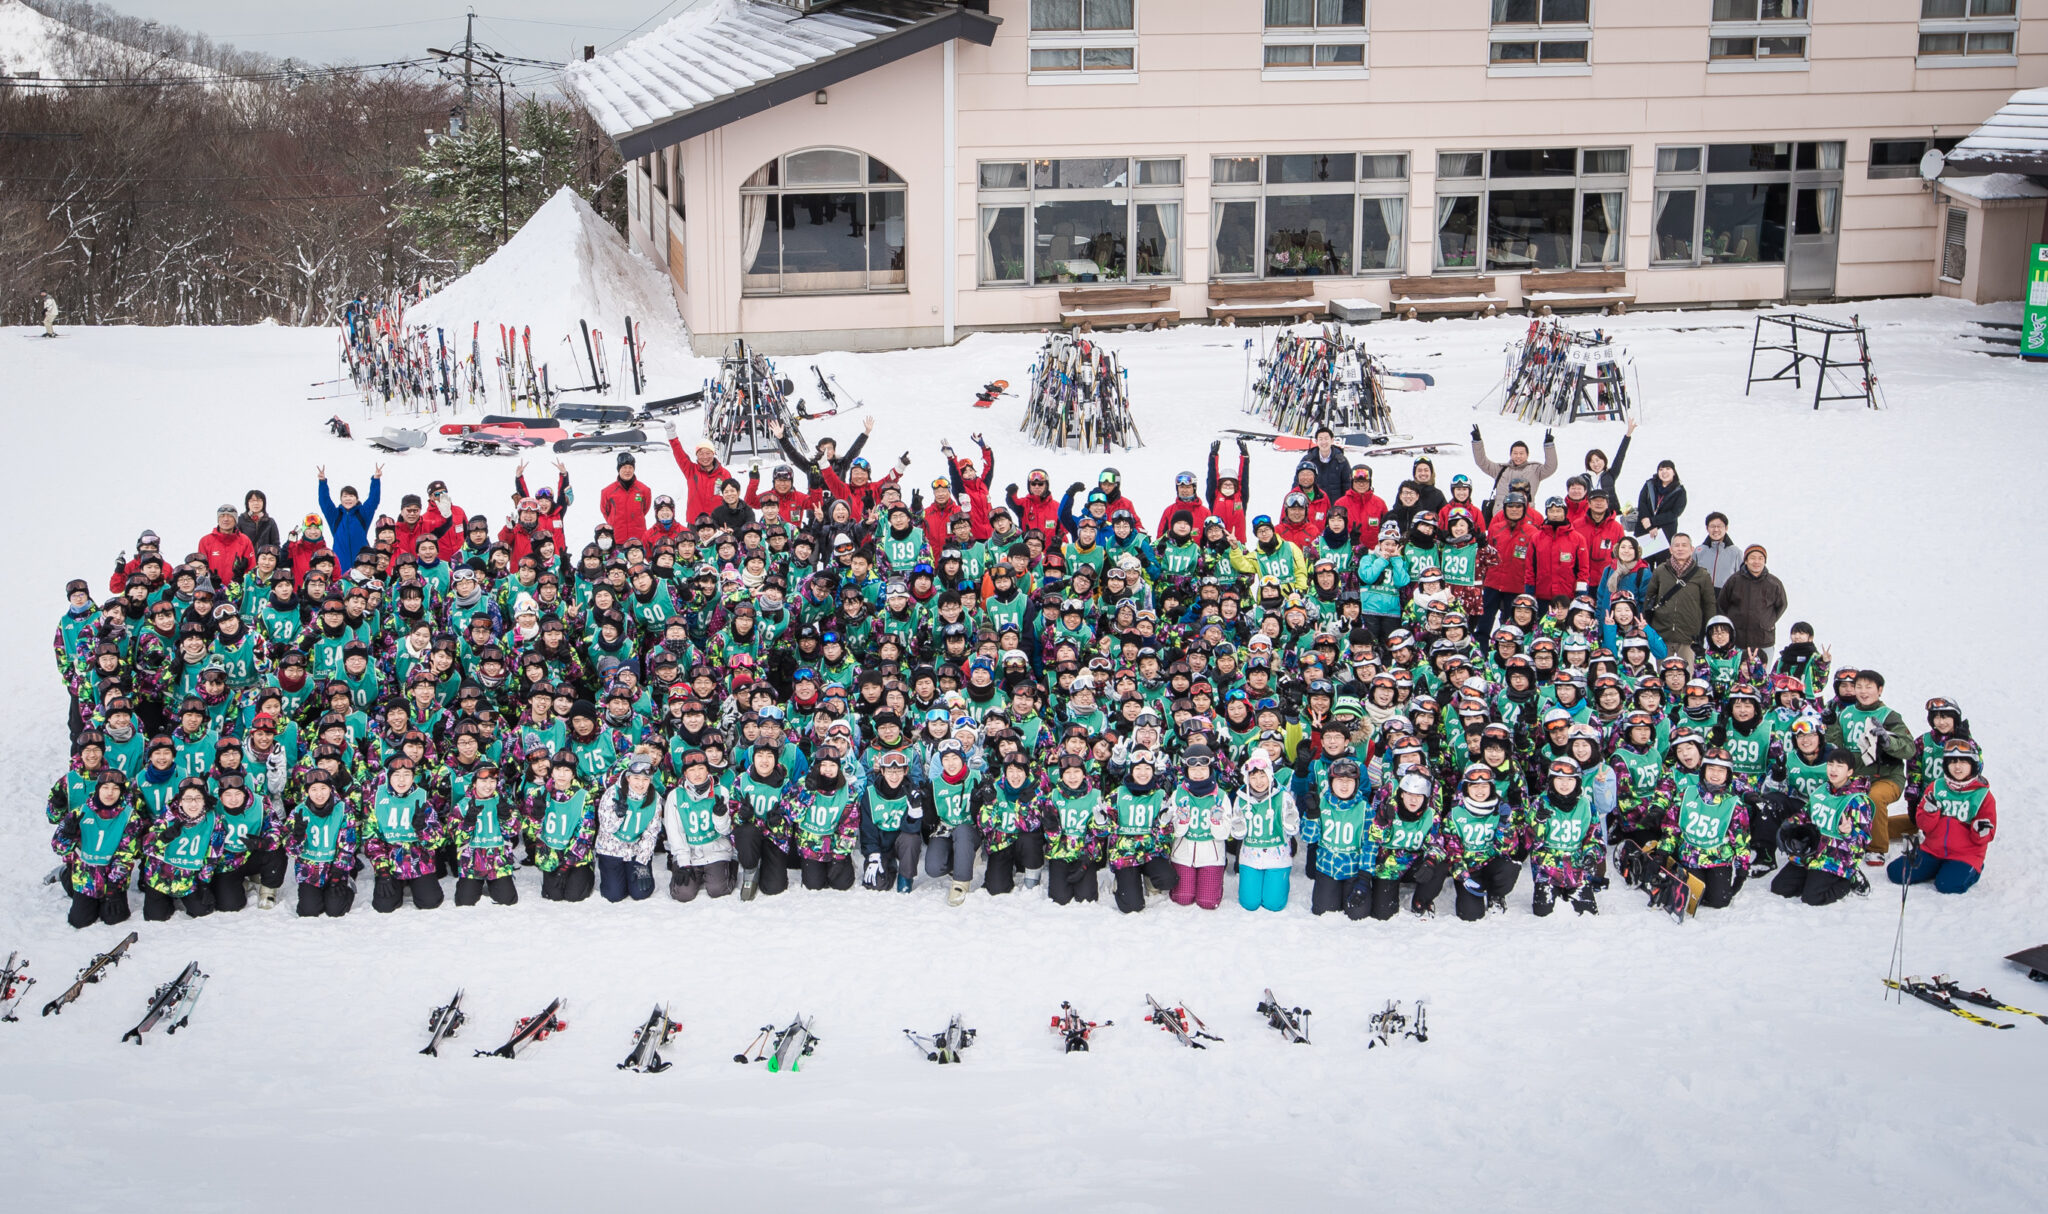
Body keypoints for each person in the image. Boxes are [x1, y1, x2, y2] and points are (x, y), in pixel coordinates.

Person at [1823, 669, 1914, 864]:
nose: (1863, 692)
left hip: (1886, 777)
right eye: (1859, 687)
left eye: (1869, 687)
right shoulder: (1846, 714)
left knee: (1874, 797)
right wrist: (1830, 725)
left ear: (1879, 690)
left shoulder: (1888, 715)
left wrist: (1887, 741)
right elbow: (1836, 746)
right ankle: (1911, 824)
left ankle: (1877, 848)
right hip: (1855, 778)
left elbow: (1909, 749)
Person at [1889, 738, 1995, 894]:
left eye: (1963, 762)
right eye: (1952, 762)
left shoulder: (1983, 795)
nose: (1957, 767)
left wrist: (1980, 830)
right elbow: (1924, 825)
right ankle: (1938, 867)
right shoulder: (1936, 787)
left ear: (1973, 765)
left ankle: (1971, 869)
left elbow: (1986, 835)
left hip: (1965, 854)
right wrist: (1930, 812)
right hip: (1933, 850)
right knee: (1896, 873)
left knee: (1946, 885)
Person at [1770, 748, 1870, 906]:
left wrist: (1849, 832)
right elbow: (1807, 813)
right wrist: (1789, 824)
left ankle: (1848, 879)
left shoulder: (1857, 801)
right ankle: (1815, 877)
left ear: (1850, 771)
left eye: (1840, 766)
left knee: (1812, 898)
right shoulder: (1822, 790)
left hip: (1836, 855)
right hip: (1813, 850)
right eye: (1830, 764)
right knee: (1780, 887)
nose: (1833, 769)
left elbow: (1863, 840)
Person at [595, 755, 664, 903]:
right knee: (614, 895)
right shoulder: (613, 793)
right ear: (628, 778)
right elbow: (607, 827)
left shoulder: (654, 799)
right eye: (636, 778)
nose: (640, 784)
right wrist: (618, 815)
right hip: (612, 849)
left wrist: (642, 861)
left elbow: (651, 832)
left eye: (645, 780)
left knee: (641, 892)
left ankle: (633, 870)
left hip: (635, 849)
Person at [1645, 533, 1716, 662]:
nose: (1680, 548)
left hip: (1689, 635)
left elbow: (1709, 604)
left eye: (1684, 545)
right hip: (1663, 633)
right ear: (1670, 549)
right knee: (1664, 675)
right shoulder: (1660, 571)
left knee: (1687, 676)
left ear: (1691, 549)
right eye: (1676, 545)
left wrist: (1708, 630)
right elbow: (1649, 598)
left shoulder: (1702, 574)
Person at [1469, 426, 1558, 518]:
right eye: (1515, 453)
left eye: (1521, 453)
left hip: (1526, 517)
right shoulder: (1500, 470)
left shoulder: (1535, 470)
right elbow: (1482, 462)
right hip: (1501, 515)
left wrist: (1549, 446)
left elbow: (1551, 467)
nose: (1518, 456)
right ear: (1510, 455)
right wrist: (1477, 441)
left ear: (1527, 455)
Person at [1717, 543, 1787, 652]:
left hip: (1763, 640)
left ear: (1764, 561)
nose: (1756, 562)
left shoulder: (1774, 583)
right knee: (1738, 669)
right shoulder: (1734, 580)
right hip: (1737, 640)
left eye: (1760, 558)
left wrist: (1768, 622)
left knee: (1762, 669)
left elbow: (1782, 605)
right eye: (1752, 558)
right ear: (1745, 560)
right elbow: (1722, 603)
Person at [316, 464, 383, 568]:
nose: (348, 499)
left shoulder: (362, 514)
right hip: (341, 564)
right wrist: (322, 482)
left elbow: (373, 500)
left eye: (351, 496)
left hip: (361, 564)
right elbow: (324, 502)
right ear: (341, 499)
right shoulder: (335, 516)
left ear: (356, 499)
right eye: (345, 496)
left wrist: (376, 479)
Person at [1633, 460, 1687, 549]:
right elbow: (1642, 504)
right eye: (1661, 469)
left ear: (1674, 472)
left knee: (1663, 562)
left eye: (1668, 468)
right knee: (1643, 561)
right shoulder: (1649, 485)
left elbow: (1675, 513)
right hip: (1644, 530)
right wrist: (1649, 525)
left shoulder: (1680, 491)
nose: (1664, 472)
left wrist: (1652, 522)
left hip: (1665, 534)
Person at [1697, 513, 1741, 589]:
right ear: (1707, 528)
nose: (1716, 530)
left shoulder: (1736, 552)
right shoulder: (1699, 551)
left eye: (1719, 526)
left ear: (1726, 528)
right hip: (1702, 596)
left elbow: (1741, 578)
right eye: (1712, 526)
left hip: (1726, 597)